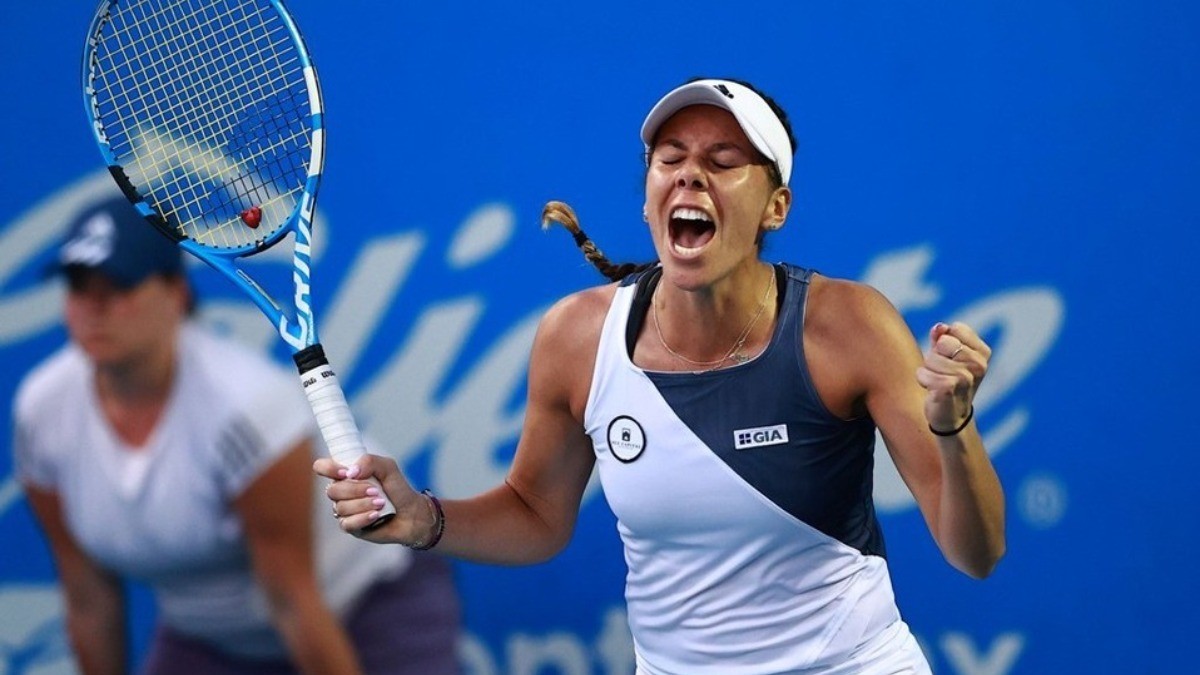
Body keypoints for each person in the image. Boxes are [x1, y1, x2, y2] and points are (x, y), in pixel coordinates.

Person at [319, 77, 1006, 674]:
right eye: (669, 158)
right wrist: (422, 517)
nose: (689, 174)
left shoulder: (848, 325)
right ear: (648, 197)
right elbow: (534, 515)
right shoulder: (578, 337)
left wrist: (954, 426)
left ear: (776, 207)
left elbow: (976, 554)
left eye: (724, 159)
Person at [12, 195, 462, 675]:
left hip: (364, 608)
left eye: (118, 286)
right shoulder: (43, 411)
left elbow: (292, 600)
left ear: (175, 295)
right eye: (79, 286)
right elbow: (88, 596)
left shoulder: (245, 410)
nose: (94, 308)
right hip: (208, 636)